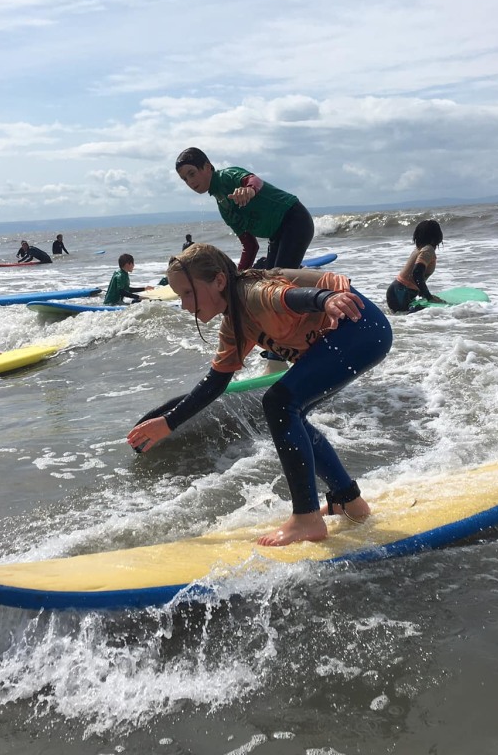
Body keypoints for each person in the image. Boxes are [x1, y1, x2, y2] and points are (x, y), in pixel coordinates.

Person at [127, 243, 393, 547]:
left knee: (280, 402)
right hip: (354, 331)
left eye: (188, 293)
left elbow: (290, 296)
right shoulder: (234, 325)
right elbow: (217, 381)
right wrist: (169, 422)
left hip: (360, 326)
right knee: (291, 411)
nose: (185, 305)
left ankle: (306, 518)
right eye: (180, 296)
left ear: (219, 281)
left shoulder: (251, 294)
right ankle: (348, 501)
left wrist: (326, 299)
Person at [175, 147, 314, 271]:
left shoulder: (227, 176)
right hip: (277, 235)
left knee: (280, 281)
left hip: (295, 219)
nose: (190, 182)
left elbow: (254, 180)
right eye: (185, 179)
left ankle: (322, 295)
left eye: (192, 173)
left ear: (207, 167)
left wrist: (250, 190)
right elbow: (250, 246)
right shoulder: (224, 207)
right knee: (271, 281)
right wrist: (237, 276)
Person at [386, 219, 443, 312]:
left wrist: (422, 292)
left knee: (404, 320)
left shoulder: (420, 249)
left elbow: (415, 275)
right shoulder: (428, 249)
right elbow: (416, 273)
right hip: (401, 292)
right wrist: (428, 296)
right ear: (437, 236)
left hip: (397, 291)